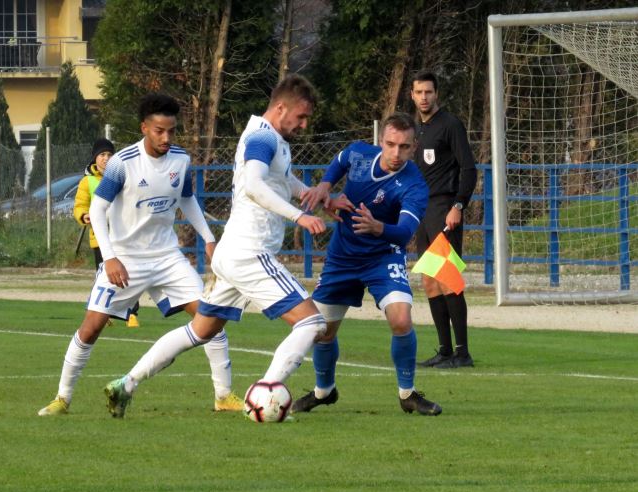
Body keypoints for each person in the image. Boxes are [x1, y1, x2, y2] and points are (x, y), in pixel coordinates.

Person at [102, 74, 329, 419]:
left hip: (232, 253)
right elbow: (254, 185)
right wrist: (299, 216)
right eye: (301, 116)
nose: (304, 124)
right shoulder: (262, 137)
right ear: (281, 108)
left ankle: (126, 383)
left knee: (200, 330)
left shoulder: (275, 139)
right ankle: (265, 395)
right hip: (250, 252)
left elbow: (281, 179)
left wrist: (312, 195)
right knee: (312, 323)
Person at [38, 94, 243, 416]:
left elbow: (187, 199)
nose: (166, 137)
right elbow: (98, 209)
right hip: (125, 259)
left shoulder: (181, 159)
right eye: (159, 131)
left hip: (167, 257)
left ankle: (224, 396)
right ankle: (62, 399)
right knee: (91, 327)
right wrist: (110, 258)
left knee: (212, 318)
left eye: (171, 131)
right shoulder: (122, 163)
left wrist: (208, 238)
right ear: (144, 128)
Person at [292, 112, 441, 416]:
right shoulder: (360, 153)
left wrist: (378, 228)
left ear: (414, 147)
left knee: (401, 319)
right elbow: (341, 160)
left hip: (383, 256)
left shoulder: (414, 185)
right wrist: (325, 186)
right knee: (322, 331)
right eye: (391, 144)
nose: (396, 153)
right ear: (380, 141)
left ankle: (407, 393)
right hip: (343, 257)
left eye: (404, 147)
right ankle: (324, 391)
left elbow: (404, 233)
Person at [410, 70, 477, 369]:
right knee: (429, 281)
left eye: (428, 92)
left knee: (448, 279)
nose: (424, 97)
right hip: (422, 212)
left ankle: (463, 353)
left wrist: (458, 205)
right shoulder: (416, 129)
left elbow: (469, 169)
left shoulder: (450, 125)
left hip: (443, 208)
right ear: (412, 95)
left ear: (436, 93)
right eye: (419, 92)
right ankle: (445, 351)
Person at [74, 138, 141, 328]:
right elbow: (80, 205)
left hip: (124, 237)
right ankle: (104, 313)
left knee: (129, 275)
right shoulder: (87, 181)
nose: (106, 158)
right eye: (102, 155)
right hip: (100, 240)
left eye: (110, 155)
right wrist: (84, 215)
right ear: (95, 158)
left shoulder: (123, 177)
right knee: (105, 278)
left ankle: (131, 313)